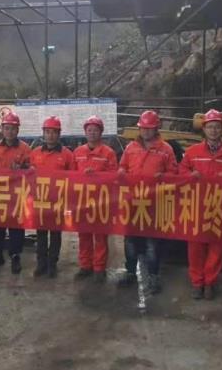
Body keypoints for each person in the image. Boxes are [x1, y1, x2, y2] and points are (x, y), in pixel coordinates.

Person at [117, 110, 178, 294]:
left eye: (149, 128)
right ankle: (130, 271)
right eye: (143, 128)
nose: (146, 131)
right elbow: (122, 166)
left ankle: (153, 275)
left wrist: (164, 176)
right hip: (133, 201)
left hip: (154, 203)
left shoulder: (166, 149)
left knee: (152, 242)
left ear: (156, 128)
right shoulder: (131, 148)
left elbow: (174, 173)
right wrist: (121, 172)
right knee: (130, 239)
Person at [179, 109, 222, 300]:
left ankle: (210, 283)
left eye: (217, 127)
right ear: (204, 129)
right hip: (196, 207)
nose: (213, 130)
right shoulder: (192, 152)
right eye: (210, 127)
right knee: (195, 247)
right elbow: (180, 173)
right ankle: (197, 283)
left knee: (217, 247)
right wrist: (190, 175)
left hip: (220, 207)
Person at [0, 111, 31, 274]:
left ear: (18, 130)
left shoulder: (25, 149)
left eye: (13, 128)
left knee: (16, 229)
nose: (10, 131)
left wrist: (22, 168)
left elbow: (32, 171)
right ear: (2, 129)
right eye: (7, 128)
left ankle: (15, 257)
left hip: (16, 196)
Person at [73, 115, 117, 283]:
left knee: (100, 236)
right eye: (89, 130)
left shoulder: (108, 153)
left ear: (101, 132)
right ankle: (85, 266)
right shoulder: (77, 152)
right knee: (83, 235)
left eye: (95, 130)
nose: (92, 133)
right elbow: (70, 176)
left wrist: (97, 175)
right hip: (81, 201)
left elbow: (114, 176)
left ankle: (99, 268)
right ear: (85, 132)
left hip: (100, 202)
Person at [29, 116, 75, 278]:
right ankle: (41, 263)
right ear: (43, 133)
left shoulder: (67, 154)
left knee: (55, 234)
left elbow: (74, 177)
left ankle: (52, 264)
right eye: (47, 132)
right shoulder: (35, 153)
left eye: (54, 132)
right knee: (41, 234)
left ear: (59, 134)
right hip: (40, 200)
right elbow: (29, 175)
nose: (50, 135)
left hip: (58, 201)